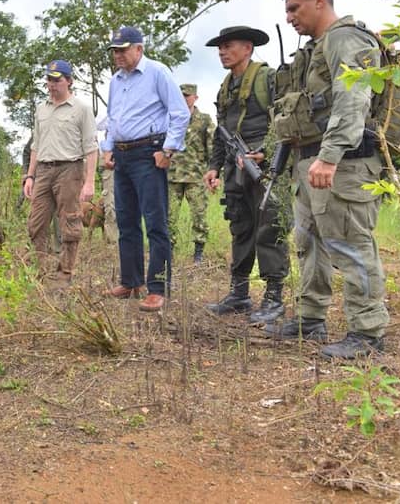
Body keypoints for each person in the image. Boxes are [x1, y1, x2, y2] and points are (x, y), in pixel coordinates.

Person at [265, 0, 388, 359]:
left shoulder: (346, 37)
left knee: (351, 245)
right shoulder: (314, 49)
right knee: (310, 244)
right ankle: (311, 317)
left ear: (320, 0)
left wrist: (331, 155)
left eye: (294, 8)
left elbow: (354, 99)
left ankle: (367, 333)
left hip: (343, 163)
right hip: (311, 162)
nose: (289, 18)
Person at [202, 26, 291, 325]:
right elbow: (221, 133)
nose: (222, 52)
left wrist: (266, 153)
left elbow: (285, 120)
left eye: (228, 46)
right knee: (240, 228)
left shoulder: (267, 79)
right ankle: (239, 293)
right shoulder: (225, 87)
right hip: (234, 169)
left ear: (248, 49)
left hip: (266, 170)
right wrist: (214, 166)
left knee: (270, 229)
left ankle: (273, 297)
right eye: (219, 48)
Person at [102, 26, 190, 311]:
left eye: (123, 49)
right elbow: (113, 116)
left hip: (148, 154)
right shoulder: (116, 80)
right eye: (115, 50)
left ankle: (157, 287)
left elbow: (180, 113)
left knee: (155, 223)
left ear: (139, 48)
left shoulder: (158, 72)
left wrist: (168, 150)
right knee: (126, 222)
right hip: (122, 155)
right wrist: (108, 146)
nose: (118, 55)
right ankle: (131, 281)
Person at [23, 60, 97, 285]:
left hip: (70, 169)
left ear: (69, 81)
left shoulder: (81, 109)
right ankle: (38, 271)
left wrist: (90, 182)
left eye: (57, 80)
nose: (52, 85)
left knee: (70, 222)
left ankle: (65, 273)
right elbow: (36, 145)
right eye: (49, 80)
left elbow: (91, 147)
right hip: (44, 170)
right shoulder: (41, 109)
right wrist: (30, 176)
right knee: (36, 223)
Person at [168, 84, 213, 264]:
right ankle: (168, 252)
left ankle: (198, 253)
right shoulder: (170, 118)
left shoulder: (204, 120)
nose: (184, 98)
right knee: (169, 216)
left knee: (199, 215)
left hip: (196, 176)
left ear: (195, 97)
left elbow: (212, 146)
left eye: (187, 96)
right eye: (181, 95)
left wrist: (214, 172)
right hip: (172, 175)